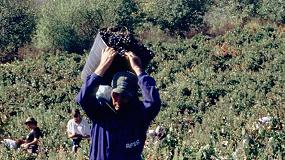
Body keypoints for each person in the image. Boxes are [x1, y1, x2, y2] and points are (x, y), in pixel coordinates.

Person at [76, 47, 161, 160]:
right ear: (111, 92)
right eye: (115, 94)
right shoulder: (101, 114)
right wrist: (102, 66)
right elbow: (83, 98)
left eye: (124, 96)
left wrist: (139, 70)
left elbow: (154, 102)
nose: (118, 99)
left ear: (133, 97)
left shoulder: (138, 115)